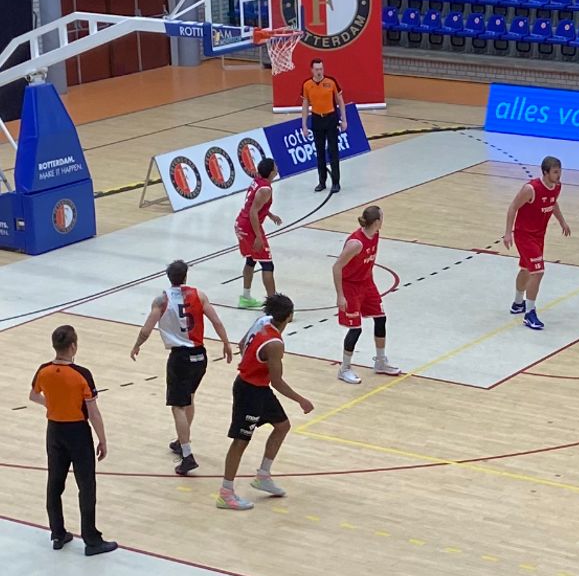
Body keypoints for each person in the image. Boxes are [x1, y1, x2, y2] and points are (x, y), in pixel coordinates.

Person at [129, 260, 235, 475]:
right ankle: (181, 441)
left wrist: (137, 345)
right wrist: (226, 343)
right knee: (189, 398)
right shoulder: (199, 294)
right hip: (200, 356)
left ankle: (187, 455)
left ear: (169, 277)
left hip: (180, 358)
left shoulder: (161, 300)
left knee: (178, 405)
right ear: (186, 276)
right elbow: (216, 321)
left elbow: (147, 329)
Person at [218, 294, 314, 511]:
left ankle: (263, 476)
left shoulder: (261, 322)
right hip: (249, 391)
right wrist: (301, 400)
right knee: (241, 441)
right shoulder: (274, 344)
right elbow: (277, 381)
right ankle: (225, 493)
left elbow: (242, 344)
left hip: (258, 387)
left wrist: (251, 362)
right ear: (289, 316)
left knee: (282, 426)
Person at [29, 325, 117, 556]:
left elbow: (33, 395)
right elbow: (94, 412)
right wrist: (103, 439)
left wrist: (54, 404)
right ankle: (91, 540)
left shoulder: (44, 370)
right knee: (86, 486)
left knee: (55, 484)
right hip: (77, 433)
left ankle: (58, 534)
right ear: (73, 346)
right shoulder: (81, 374)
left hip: (54, 432)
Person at [332, 206, 401, 382]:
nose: (384, 220)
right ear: (377, 221)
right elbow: (337, 267)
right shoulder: (356, 243)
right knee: (356, 329)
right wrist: (340, 295)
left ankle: (380, 361)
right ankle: (344, 368)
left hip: (367, 283)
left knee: (380, 318)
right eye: (382, 217)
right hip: (350, 286)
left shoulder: (376, 234)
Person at [503, 156, 571, 331]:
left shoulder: (557, 186)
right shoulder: (531, 189)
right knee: (538, 272)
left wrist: (562, 221)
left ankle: (518, 304)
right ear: (545, 172)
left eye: (560, 171)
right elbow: (513, 207)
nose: (559, 175)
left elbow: (553, 203)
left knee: (527, 269)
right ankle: (530, 313)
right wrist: (507, 233)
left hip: (539, 235)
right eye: (555, 172)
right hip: (524, 235)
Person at [234, 158, 282, 309]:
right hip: (249, 226)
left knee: (251, 260)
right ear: (272, 172)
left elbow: (255, 205)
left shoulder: (258, 180)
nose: (277, 168)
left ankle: (246, 297)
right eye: (275, 166)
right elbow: (253, 212)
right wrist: (259, 237)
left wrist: (270, 215)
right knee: (268, 265)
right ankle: (274, 306)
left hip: (241, 223)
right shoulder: (266, 190)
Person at [301, 58, 347, 194]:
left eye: (321, 69)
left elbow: (340, 101)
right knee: (320, 153)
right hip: (316, 119)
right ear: (312, 70)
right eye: (317, 69)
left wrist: (344, 120)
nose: (319, 71)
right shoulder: (307, 85)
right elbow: (305, 106)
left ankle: (336, 182)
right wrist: (304, 125)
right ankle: (322, 182)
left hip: (331, 119)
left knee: (333, 152)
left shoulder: (331, 82)